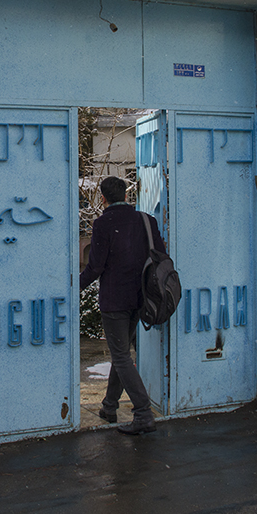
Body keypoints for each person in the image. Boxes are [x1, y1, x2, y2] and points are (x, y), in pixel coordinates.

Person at [79, 176, 165, 435]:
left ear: (103, 198)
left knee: (121, 356)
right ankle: (109, 406)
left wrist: (74, 287)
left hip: (115, 300)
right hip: (141, 298)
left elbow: (95, 266)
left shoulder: (103, 224)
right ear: (126, 196)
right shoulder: (146, 221)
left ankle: (143, 413)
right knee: (122, 354)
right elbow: (160, 254)